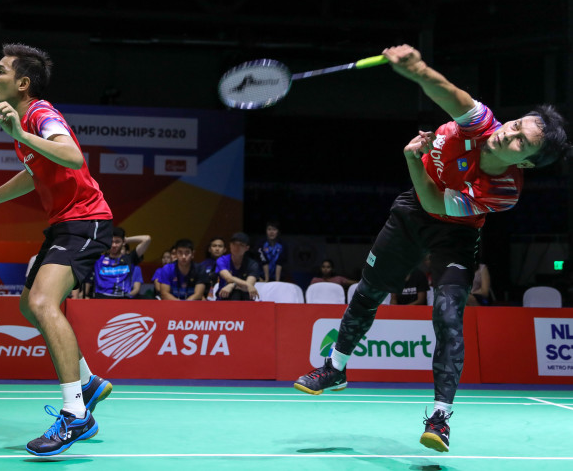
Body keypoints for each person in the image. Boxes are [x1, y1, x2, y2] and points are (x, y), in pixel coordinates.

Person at [293, 44, 570, 453]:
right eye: (514, 125)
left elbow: (436, 204)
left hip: (453, 229)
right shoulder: (481, 122)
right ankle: (334, 369)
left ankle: (439, 418)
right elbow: (448, 93)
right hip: (410, 214)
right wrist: (417, 69)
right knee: (368, 292)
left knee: (448, 316)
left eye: (519, 143)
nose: (506, 133)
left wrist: (411, 160)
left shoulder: (504, 191)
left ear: (525, 163)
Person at [0, 43, 114, 456]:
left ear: (22, 83)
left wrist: (21, 134)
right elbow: (31, 176)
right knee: (28, 305)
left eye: (0, 71)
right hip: (63, 225)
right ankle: (90, 382)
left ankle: (76, 414)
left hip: (86, 221)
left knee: (43, 303)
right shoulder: (23, 123)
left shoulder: (40, 113)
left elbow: (73, 157)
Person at [88, 227, 151, 299]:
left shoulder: (129, 258)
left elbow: (147, 239)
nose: (114, 245)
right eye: (111, 242)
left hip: (123, 298)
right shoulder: (98, 259)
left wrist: (127, 239)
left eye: (117, 242)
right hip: (101, 298)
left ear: (123, 242)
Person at [215, 232, 262, 301]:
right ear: (230, 245)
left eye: (241, 245)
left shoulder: (252, 264)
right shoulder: (222, 260)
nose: (237, 248)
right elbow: (228, 278)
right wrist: (247, 285)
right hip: (224, 298)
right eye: (234, 244)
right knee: (235, 293)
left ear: (247, 248)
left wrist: (232, 285)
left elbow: (248, 287)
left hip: (244, 299)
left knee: (239, 293)